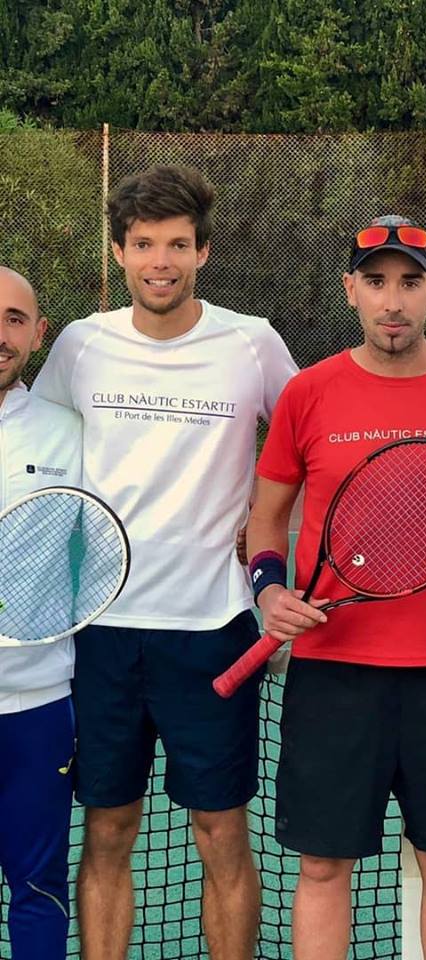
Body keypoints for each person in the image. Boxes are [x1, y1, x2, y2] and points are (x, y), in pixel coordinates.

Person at [245, 215, 426, 960]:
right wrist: (269, 590)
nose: (393, 300)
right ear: (351, 290)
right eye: (376, 283)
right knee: (321, 866)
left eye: (410, 282)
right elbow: (266, 521)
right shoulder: (310, 393)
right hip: (333, 675)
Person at [31, 165, 297, 960]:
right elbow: (34, 453)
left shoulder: (252, 344)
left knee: (221, 833)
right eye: (143, 243)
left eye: (177, 244)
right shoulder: (81, 344)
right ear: (119, 252)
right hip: (101, 635)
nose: (160, 260)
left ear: (203, 253)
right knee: (108, 830)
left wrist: (278, 551)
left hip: (211, 632)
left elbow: (307, 446)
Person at [0, 267, 82, 960]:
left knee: (40, 888)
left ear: (37, 333)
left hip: (39, 706)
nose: (0, 333)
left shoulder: (69, 433)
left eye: (13, 318)